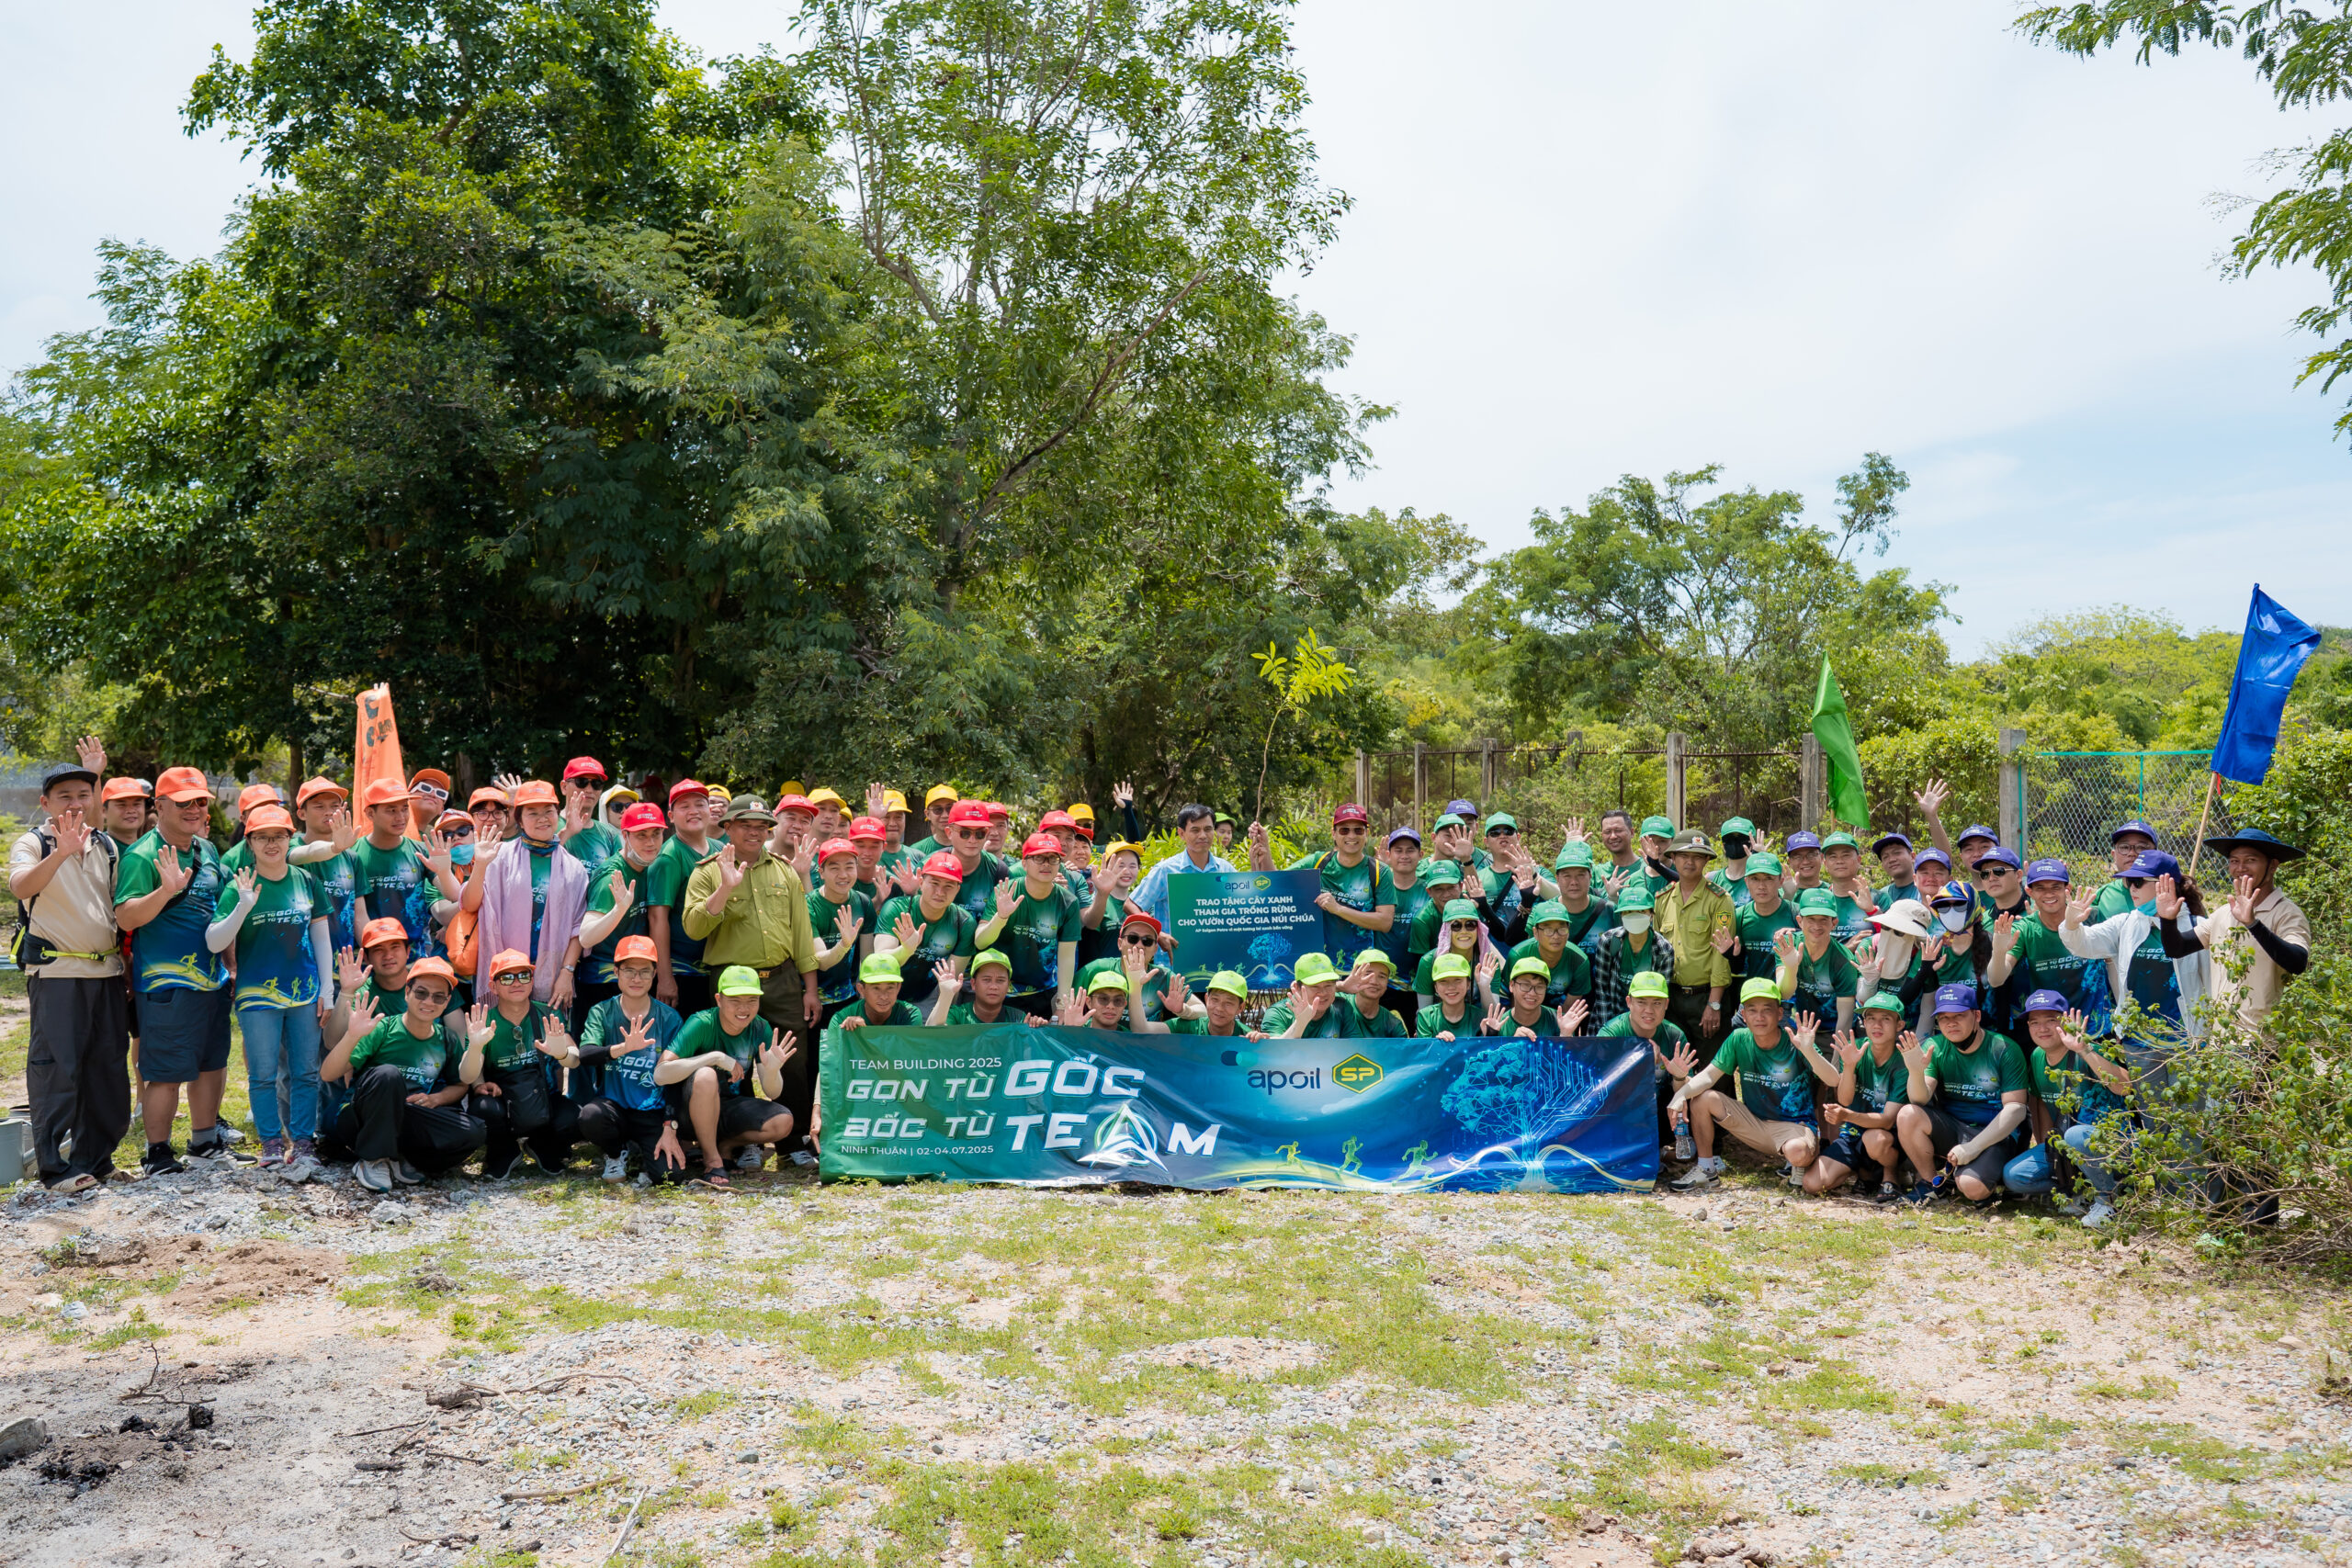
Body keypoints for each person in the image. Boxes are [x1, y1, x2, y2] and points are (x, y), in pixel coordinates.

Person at [114, 766, 243, 1177]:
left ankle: (204, 1141)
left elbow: (220, 910)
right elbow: (125, 916)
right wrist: (165, 891)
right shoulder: (142, 855)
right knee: (166, 1073)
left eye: (200, 801)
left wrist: (232, 965)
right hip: (167, 984)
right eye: (184, 802)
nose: (194, 809)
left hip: (211, 981)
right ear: (161, 806)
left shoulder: (207, 851)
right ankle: (157, 1154)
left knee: (211, 1064)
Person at [10, 755, 130, 1192]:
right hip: (57, 973)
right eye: (65, 797)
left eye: (84, 794)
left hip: (107, 973)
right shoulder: (32, 844)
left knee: (105, 1069)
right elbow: (21, 887)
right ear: (46, 803)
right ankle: (54, 1168)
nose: (75, 804)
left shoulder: (108, 846)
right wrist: (59, 854)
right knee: (57, 1070)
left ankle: (95, 1160)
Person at [682, 796, 821, 1156]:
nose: (755, 833)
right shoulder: (708, 871)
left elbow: (802, 935)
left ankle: (794, 1141)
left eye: (762, 827)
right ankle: (745, 1141)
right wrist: (725, 887)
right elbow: (694, 927)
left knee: (792, 1058)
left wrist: (810, 988)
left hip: (782, 978)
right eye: (746, 825)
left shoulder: (785, 870)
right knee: (733, 1061)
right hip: (730, 982)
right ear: (726, 827)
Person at [205, 804, 333, 1177]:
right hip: (256, 997)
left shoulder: (306, 881)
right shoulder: (238, 887)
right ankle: (272, 1144)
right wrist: (243, 907)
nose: (271, 843)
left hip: (305, 993)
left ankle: (305, 1143)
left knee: (306, 1071)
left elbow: (320, 935)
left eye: (278, 836)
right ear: (250, 843)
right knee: (263, 1074)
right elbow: (214, 942)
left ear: (290, 839)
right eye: (262, 837)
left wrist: (327, 986)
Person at [319, 956, 487, 1193]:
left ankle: (403, 1158)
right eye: (421, 993)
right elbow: (327, 1074)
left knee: (473, 1131)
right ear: (407, 993)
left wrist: (436, 1099)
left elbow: (460, 1084)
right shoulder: (383, 1028)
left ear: (446, 1001)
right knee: (389, 1075)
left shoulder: (446, 1038)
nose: (429, 1001)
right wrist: (352, 1036)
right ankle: (373, 1159)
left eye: (439, 997)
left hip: (407, 1115)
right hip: (360, 1117)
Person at [1668, 978, 1838, 1189]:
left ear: (1779, 1013)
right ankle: (1706, 1169)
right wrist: (1679, 1095)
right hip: (1754, 1123)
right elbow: (1709, 1076)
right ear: (1743, 1015)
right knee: (1702, 1099)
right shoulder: (1739, 1038)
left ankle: (1798, 1167)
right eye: (1752, 1010)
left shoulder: (1795, 1040)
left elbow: (1833, 1079)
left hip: (1794, 1128)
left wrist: (1809, 1050)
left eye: (1767, 1010)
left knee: (1797, 1151)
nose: (1759, 1017)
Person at [2057, 852, 2211, 1081]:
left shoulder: (2198, 926)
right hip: (2138, 1042)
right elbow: (2083, 944)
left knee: (2190, 1115)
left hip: (2187, 1043)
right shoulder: (2127, 923)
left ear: (2165, 884)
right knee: (2150, 1115)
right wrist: (2070, 923)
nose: (2131, 889)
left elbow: (2212, 985)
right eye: (2129, 882)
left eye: (2138, 882)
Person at [655, 964, 798, 1187]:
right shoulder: (702, 1023)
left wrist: (772, 1070)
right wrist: (714, 1057)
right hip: (689, 1111)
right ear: (719, 1000)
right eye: (735, 1001)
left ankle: (725, 1146)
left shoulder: (760, 1027)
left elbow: (772, 1092)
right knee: (705, 1075)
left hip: (728, 1107)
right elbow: (661, 1074)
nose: (744, 1008)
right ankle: (712, 1160)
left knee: (783, 1122)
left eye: (752, 1000)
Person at [1998, 992, 2133, 1228]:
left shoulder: (2089, 1047)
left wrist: (2084, 1050)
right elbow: (2039, 1103)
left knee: (2075, 1136)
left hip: (2114, 1144)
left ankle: (2107, 1199)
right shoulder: (2037, 1056)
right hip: (2070, 1147)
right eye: (2035, 1022)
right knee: (2015, 1176)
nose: (2043, 1028)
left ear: (2064, 1020)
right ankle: (2081, 1191)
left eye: (2050, 1020)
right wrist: (2054, 1159)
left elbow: (2125, 1087)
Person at [2161, 829, 2311, 1035]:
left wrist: (2253, 924)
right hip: (2222, 1038)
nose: (2241, 868)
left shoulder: (2286, 912)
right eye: (2234, 861)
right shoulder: (2224, 913)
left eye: (2251, 860)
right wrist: (2167, 920)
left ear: (2273, 865)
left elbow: (2298, 962)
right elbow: (2177, 948)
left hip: (2263, 1041)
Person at [469, 781, 590, 1034]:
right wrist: (479, 867)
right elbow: (471, 903)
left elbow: (579, 927)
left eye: (548, 811)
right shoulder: (498, 858)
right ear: (520, 820)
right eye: (532, 813)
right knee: (504, 1050)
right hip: (505, 975)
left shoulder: (574, 869)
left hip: (552, 978)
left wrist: (567, 973)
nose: (542, 819)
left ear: (558, 815)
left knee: (553, 1050)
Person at [1894, 983, 2031, 1204]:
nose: (1951, 1023)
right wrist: (1916, 1072)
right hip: (1953, 1126)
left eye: (1958, 1015)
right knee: (1908, 1114)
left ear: (1976, 1015)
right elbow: (1919, 1100)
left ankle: (1986, 1177)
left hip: (1994, 1132)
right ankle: (1933, 1184)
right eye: (1944, 1018)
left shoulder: (2004, 1048)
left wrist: (1973, 1147)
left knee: (1972, 1188)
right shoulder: (1935, 1047)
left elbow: (2016, 1109)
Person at [458, 948, 584, 1179]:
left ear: (532, 981)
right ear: (493, 986)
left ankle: (540, 1144)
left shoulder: (547, 1013)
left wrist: (562, 1053)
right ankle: (504, 1151)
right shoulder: (483, 1021)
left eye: (523, 975)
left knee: (574, 1117)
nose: (516, 982)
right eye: (506, 977)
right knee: (482, 1110)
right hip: (502, 1101)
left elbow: (575, 1060)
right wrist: (475, 1046)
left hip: (542, 1099)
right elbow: (466, 1077)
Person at [573, 935, 689, 1183]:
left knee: (670, 1177)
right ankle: (616, 1153)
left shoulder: (669, 1019)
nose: (637, 979)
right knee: (590, 1116)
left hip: (653, 1111)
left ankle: (644, 1151)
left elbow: (675, 1078)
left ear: (655, 973)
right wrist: (621, 1049)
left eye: (644, 972)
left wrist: (670, 1127)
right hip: (613, 1107)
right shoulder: (602, 1011)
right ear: (616, 971)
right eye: (629, 971)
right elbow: (585, 1054)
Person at [1804, 991, 1915, 1201]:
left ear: (1900, 1025)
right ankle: (1865, 1174)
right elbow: (1845, 1100)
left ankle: (1891, 1178)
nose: (1877, 1025)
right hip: (1852, 1134)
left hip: (1886, 1138)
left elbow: (1887, 1120)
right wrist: (1850, 1066)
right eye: (1870, 1018)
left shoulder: (1903, 1062)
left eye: (1886, 1019)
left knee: (1874, 1139)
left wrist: (1846, 1116)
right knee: (1812, 1184)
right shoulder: (1858, 1049)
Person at [574, 801, 671, 1041]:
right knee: (593, 1064)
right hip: (603, 981)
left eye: (656, 834)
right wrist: (619, 909)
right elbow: (586, 936)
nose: (650, 842)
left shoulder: (650, 865)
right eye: (641, 835)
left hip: (633, 977)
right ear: (625, 836)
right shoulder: (613, 876)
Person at [1984, 860, 2113, 1036]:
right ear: (2029, 892)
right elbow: (1996, 979)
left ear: (2067, 889)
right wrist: (1998, 951)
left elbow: (2116, 964)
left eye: (2055, 887)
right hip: (2051, 1032)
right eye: (2040, 888)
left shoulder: (2092, 916)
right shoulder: (2025, 928)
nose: (2049, 894)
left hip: (2098, 1028)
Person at [1272, 805, 1396, 974]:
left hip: (1361, 970)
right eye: (1344, 830)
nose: (1351, 836)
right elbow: (1276, 882)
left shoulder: (1379, 871)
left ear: (1366, 834)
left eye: (1358, 830)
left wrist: (1338, 909)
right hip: (1319, 971)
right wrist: (1263, 851)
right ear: (1334, 834)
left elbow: (1385, 922)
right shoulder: (1317, 863)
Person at [350, 777, 463, 961]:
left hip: (415, 956)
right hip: (373, 957)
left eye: (404, 809)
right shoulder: (353, 855)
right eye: (391, 810)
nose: (400, 817)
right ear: (370, 814)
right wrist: (375, 952)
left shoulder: (421, 851)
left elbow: (455, 896)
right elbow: (358, 915)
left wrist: (443, 871)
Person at [1595, 971, 1694, 1156]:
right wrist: (1639, 1063)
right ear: (1629, 1002)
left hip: (1659, 1109)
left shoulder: (1674, 1036)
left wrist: (1679, 1076)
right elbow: (1600, 1084)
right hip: (1621, 1110)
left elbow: (1687, 1086)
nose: (1649, 1010)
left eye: (1656, 1003)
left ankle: (1663, 1148)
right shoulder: (1611, 1033)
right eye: (1641, 1002)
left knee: (1698, 1098)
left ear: (1666, 1005)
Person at [1655, 829, 1736, 1045]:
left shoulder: (1719, 899)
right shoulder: (1662, 899)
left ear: (1707, 860)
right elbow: (1656, 949)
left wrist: (1714, 1004)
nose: (1690, 862)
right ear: (1673, 857)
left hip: (1706, 997)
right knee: (1675, 1068)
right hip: (1671, 997)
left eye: (1698, 857)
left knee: (1714, 1071)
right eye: (1684, 856)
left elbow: (1721, 957)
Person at [647, 779, 719, 1019]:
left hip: (717, 968)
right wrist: (665, 977)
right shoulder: (669, 856)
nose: (693, 811)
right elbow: (658, 918)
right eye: (684, 806)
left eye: (700, 804)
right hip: (683, 971)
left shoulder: (721, 849)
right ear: (671, 815)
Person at [876, 851, 981, 1006]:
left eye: (948, 886)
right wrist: (906, 950)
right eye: (934, 883)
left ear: (958, 889)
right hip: (886, 992)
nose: (940, 892)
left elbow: (950, 979)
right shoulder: (896, 909)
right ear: (920, 882)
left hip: (931, 997)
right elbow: (880, 963)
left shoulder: (964, 922)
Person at [999, 832, 1083, 1019]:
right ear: (1024, 863)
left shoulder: (1068, 902)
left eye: (1053, 858)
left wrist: (1062, 1004)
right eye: (1039, 858)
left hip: (1043, 991)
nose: (1046, 864)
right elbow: (981, 942)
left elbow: (1067, 958)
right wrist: (1000, 918)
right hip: (1001, 990)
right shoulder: (1006, 891)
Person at [1128, 804, 1237, 932]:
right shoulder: (1166, 871)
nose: (1203, 835)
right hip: (1174, 952)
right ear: (1181, 833)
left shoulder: (1226, 869)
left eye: (1208, 829)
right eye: (1195, 830)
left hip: (1217, 950)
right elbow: (1131, 905)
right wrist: (1156, 932)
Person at [804, 838, 874, 1026]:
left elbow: (866, 959)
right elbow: (821, 962)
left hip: (850, 998)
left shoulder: (863, 902)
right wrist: (843, 945)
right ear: (821, 873)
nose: (843, 875)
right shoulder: (808, 905)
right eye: (834, 868)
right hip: (813, 999)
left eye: (849, 867)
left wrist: (864, 998)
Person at [1775, 887, 1861, 1035]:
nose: (1817, 926)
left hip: (1831, 1031)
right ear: (1800, 921)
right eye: (1811, 919)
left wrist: (1837, 1058)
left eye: (1823, 919)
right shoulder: (1787, 945)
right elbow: (1784, 994)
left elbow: (1845, 1018)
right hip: (1796, 1027)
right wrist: (1791, 967)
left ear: (1834, 923)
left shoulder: (1844, 960)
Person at [1589, 883, 1674, 1027]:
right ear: (1621, 915)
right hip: (1610, 1016)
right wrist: (1607, 1032)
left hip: (1646, 1021)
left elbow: (1659, 998)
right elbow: (1602, 992)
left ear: (1651, 915)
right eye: (1628, 913)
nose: (1634, 917)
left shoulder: (1663, 950)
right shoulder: (1609, 941)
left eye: (1641, 912)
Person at [1487, 900, 1594, 1014]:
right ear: (1535, 933)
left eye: (1562, 929)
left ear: (1568, 932)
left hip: (1557, 1015)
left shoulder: (1579, 961)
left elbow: (1569, 1008)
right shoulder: (1519, 955)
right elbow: (1515, 998)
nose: (1556, 936)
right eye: (1548, 930)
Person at [1375, 826, 1431, 1019]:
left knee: (1419, 1039)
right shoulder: (1377, 888)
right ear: (1389, 855)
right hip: (1382, 981)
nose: (1404, 856)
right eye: (1398, 851)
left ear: (1421, 854)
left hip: (1418, 982)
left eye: (1410, 850)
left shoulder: (1430, 890)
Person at [934, 799, 1011, 928]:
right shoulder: (931, 865)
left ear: (986, 834)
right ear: (949, 833)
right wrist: (913, 892)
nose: (972, 840)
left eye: (979, 834)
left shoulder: (1000, 871)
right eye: (965, 833)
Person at [826, 952, 926, 1042]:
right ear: (861, 989)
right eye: (876, 988)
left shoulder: (910, 1015)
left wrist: (866, 1034)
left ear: (898, 988)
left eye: (890, 987)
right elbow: (835, 1059)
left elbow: (908, 1056)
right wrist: (850, 1033)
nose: (884, 996)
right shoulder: (841, 1019)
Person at [1254, 952, 1357, 1039]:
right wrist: (1300, 1022)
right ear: (1297, 988)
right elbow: (1274, 1051)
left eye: (1328, 985)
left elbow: (1355, 1049)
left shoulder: (1342, 1007)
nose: (1323, 993)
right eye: (1315, 987)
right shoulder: (1278, 1013)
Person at [1414, 898, 1496, 1008]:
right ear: (1446, 930)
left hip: (1476, 1021)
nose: (1464, 931)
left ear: (1478, 928)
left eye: (1470, 924)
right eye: (1456, 926)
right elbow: (1424, 1013)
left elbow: (1494, 1016)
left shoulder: (1488, 962)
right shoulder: (1429, 962)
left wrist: (1484, 986)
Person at [1486, 955, 1589, 1039]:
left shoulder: (1560, 1022)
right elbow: (1490, 1063)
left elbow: (1567, 1061)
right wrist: (1514, 1045)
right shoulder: (1499, 1025)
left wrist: (1565, 1035)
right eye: (1526, 985)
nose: (1532, 993)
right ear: (1511, 986)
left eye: (1539, 987)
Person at [929, 950, 1042, 1027]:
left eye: (1000, 980)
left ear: (1008, 986)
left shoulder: (1017, 1018)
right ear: (973, 984)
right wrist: (945, 994)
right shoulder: (958, 1015)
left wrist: (1037, 1028)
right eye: (987, 979)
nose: (993, 986)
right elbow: (931, 1035)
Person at [1734, 852, 1798, 988]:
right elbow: (1736, 965)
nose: (1761, 886)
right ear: (1746, 882)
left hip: (1788, 999)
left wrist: (1798, 934)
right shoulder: (1740, 916)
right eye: (1755, 879)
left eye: (1768, 878)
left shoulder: (1796, 913)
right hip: (1752, 998)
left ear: (1781, 882)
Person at [1078, 840, 1144, 967]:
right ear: (1107, 867)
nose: (1126, 871)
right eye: (1120, 865)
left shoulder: (1141, 903)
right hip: (1103, 980)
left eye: (1132, 866)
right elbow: (1088, 949)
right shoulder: (1097, 903)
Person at [1548, 842, 1620, 959]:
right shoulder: (1545, 912)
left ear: (1590, 877)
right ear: (1557, 879)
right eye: (1567, 876)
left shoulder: (1608, 910)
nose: (1574, 882)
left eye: (1580, 875)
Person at [1058, 957, 1155, 1032]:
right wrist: (1071, 1031)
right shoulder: (1075, 1028)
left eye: (1118, 1001)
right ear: (1089, 1002)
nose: (1110, 1006)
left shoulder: (1130, 1039)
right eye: (1103, 999)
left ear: (1124, 1005)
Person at [559, 758, 623, 869]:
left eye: (596, 784)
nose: (589, 789)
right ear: (564, 787)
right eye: (581, 782)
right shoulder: (547, 825)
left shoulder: (610, 835)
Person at [2093, 819, 2161, 921]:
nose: (2132, 853)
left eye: (2141, 847)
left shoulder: (2168, 894)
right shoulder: (2102, 895)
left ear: (2156, 854)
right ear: (2114, 855)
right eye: (2124, 847)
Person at [1414, 953, 1488, 1040]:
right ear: (1436, 988)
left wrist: (1489, 1035)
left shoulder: (1480, 1017)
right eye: (1443, 981)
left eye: (1457, 980)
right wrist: (1437, 1043)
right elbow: (1425, 1051)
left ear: (1468, 984)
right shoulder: (1426, 1017)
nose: (1451, 987)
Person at [1818, 833, 1874, 943]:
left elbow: (1894, 936)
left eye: (1846, 855)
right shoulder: (1818, 900)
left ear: (1859, 860)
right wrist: (1846, 949)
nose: (1839, 861)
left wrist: (1872, 911)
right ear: (1825, 864)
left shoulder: (1878, 898)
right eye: (1833, 857)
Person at [1340, 952, 1408, 1038]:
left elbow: (1405, 1050)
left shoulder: (1393, 1024)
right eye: (1368, 974)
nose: (1374, 982)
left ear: (1387, 983)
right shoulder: (1338, 1004)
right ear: (1354, 976)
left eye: (1381, 976)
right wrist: (1342, 986)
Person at [1167, 969, 1250, 1040]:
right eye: (1215, 1000)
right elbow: (1156, 1032)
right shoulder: (1185, 1027)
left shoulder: (1247, 1038)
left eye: (1228, 1003)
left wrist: (1261, 1044)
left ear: (1240, 1007)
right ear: (1207, 999)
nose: (1219, 1008)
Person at [1709, 817, 1758, 902]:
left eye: (1741, 839)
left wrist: (1761, 864)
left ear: (1752, 844)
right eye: (1730, 840)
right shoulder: (1711, 879)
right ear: (1723, 846)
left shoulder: (1761, 878)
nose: (1735, 844)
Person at [1871, 832, 1920, 909]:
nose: (1892, 860)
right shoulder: (1882, 896)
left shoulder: (1926, 889)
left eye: (1897, 853)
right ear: (1882, 865)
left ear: (1912, 856)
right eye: (1885, 857)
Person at [908, 784, 958, 858]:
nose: (945, 815)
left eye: (950, 808)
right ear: (927, 814)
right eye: (937, 810)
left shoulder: (971, 846)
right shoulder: (917, 850)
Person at [1781, 830, 1825, 894]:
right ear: (1790, 862)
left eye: (1811, 855)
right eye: (1798, 857)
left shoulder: (1834, 892)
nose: (1805, 862)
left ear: (1821, 857)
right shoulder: (1778, 896)